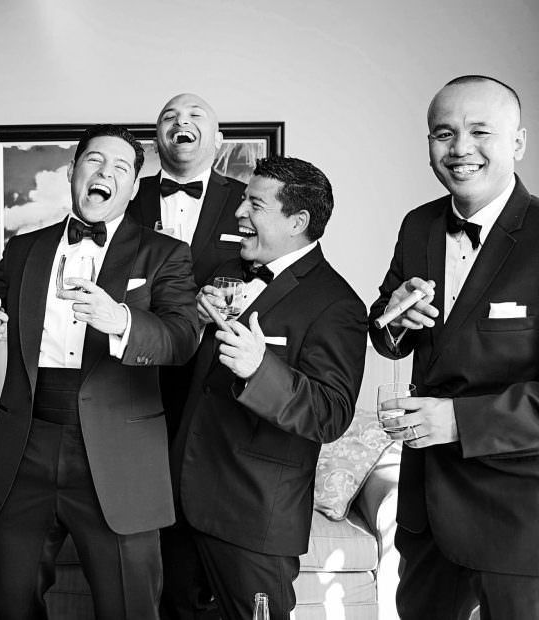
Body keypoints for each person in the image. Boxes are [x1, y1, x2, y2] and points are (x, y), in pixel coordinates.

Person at [0, 124, 201, 620]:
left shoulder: (165, 255)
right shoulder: (25, 249)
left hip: (119, 456)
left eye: (121, 168)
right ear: (72, 172)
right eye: (94, 161)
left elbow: (182, 339)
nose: (105, 173)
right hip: (25, 445)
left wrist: (122, 321)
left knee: (129, 608)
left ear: (133, 187)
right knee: (10, 600)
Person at [369, 75, 539, 618]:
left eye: (479, 131)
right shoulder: (417, 225)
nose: (460, 149)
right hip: (425, 508)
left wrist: (460, 421)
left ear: (517, 143)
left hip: (517, 512)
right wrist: (395, 320)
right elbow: (384, 332)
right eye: (443, 134)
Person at [171, 155, 367, 620]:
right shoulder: (225, 273)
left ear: (298, 221)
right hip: (180, 502)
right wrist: (195, 322)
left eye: (254, 204)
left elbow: (331, 413)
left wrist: (260, 369)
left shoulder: (336, 304)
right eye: (243, 199)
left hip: (253, 518)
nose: (239, 212)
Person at [126, 93, 248, 620]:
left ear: (217, 139)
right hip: (135, 382)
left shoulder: (250, 200)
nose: (182, 122)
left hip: (217, 382)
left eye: (196, 115)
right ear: (157, 140)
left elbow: (272, 273)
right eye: (170, 117)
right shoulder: (125, 199)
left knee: (201, 507)